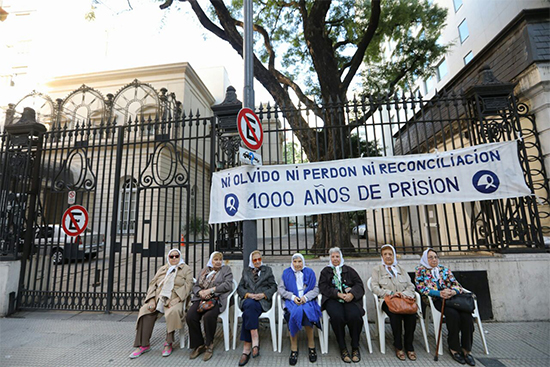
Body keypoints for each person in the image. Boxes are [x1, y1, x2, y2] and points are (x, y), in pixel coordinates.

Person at [415, 248, 475, 366]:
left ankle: (467, 350)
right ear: (425, 259)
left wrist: (452, 291)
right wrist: (439, 293)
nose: (434, 259)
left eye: (435, 257)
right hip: (436, 299)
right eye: (430, 257)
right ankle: (454, 348)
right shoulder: (420, 270)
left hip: (452, 298)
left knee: (466, 316)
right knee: (452, 315)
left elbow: (457, 285)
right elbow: (421, 287)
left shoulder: (444, 270)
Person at [129, 248, 193, 359]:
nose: (174, 258)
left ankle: (168, 343)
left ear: (180, 257)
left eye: (176, 256)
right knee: (145, 311)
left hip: (175, 298)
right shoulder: (163, 269)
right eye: (171, 256)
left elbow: (189, 285)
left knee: (172, 312)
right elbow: (153, 284)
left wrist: (178, 299)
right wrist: (152, 300)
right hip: (159, 298)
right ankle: (144, 345)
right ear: (168, 258)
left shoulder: (186, 269)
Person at [370, 244, 417, 361]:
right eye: (385, 254)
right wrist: (390, 293)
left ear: (394, 256)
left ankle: (409, 345)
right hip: (388, 300)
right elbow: (374, 287)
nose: (388, 257)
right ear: (382, 257)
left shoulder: (401, 269)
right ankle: (398, 346)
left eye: (390, 254)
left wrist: (403, 294)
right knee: (395, 315)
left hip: (403, 299)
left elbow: (411, 285)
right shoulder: (377, 270)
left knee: (411, 315)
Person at [319, 247, 365, 363]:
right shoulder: (325, 271)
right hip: (333, 300)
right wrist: (337, 294)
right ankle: (342, 347)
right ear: (330, 258)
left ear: (341, 258)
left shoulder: (349, 270)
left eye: (337, 256)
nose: (335, 259)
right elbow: (323, 287)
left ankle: (355, 346)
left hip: (350, 299)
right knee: (337, 317)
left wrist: (352, 294)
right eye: (333, 257)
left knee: (355, 316)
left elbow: (359, 285)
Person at [186, 251, 233, 361]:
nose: (218, 262)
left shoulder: (225, 270)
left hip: (216, 299)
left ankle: (209, 344)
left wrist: (211, 290)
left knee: (209, 316)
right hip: (201, 299)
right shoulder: (204, 271)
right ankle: (199, 344)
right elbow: (196, 285)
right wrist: (200, 293)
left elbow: (227, 285)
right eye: (215, 260)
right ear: (211, 261)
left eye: (220, 260)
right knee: (190, 316)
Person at [278, 253, 322, 366]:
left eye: (299, 261)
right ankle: (294, 347)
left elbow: (316, 289)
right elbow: (281, 289)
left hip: (307, 300)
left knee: (307, 312)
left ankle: (311, 345)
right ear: (292, 262)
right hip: (292, 301)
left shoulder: (310, 272)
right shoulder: (286, 273)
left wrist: (305, 298)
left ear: (303, 262)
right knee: (292, 313)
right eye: (295, 261)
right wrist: (293, 297)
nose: (297, 264)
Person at [236, 250, 278, 366]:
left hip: (261, 302)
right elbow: (240, 288)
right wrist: (248, 295)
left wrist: (263, 295)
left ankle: (246, 348)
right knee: (249, 304)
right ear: (251, 261)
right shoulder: (246, 271)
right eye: (255, 260)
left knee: (247, 313)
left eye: (259, 259)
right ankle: (254, 338)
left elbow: (274, 286)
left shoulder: (267, 271)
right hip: (248, 299)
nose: (258, 261)